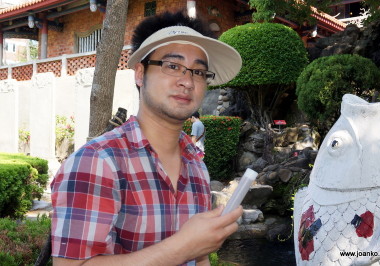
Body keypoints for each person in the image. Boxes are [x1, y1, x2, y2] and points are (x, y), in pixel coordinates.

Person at [51, 10, 243, 266]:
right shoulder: (98, 162)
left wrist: (197, 248)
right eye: (172, 66)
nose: (187, 81)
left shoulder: (196, 165)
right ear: (140, 73)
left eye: (198, 72)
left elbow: (200, 258)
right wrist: (182, 247)